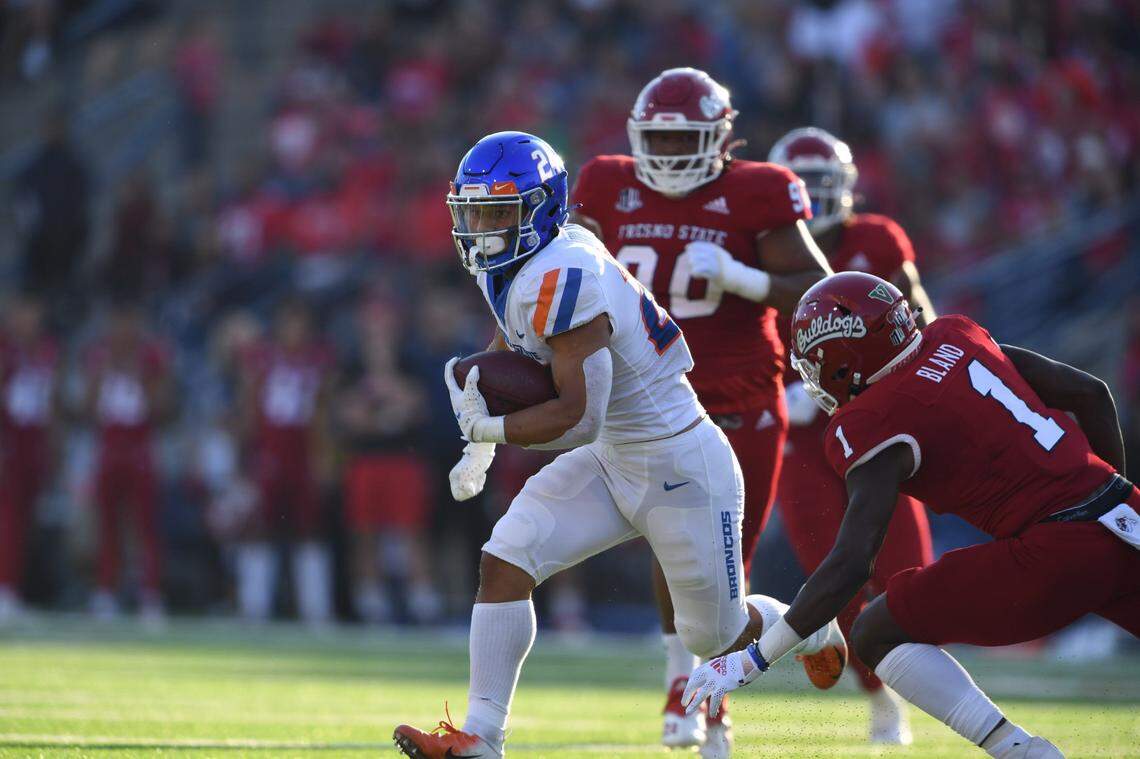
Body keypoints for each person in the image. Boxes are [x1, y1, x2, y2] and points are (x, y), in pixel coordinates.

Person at [392, 131, 846, 759]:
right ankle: (482, 739)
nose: (481, 226)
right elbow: (516, 344)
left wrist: (491, 431)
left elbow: (577, 417)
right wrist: (480, 436)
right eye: (473, 210)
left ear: (540, 207)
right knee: (505, 559)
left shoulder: (564, 272)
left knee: (716, 635)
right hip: (613, 457)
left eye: (498, 210)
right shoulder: (531, 261)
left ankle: (805, 622)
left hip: (678, 463)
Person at [682, 272, 1139, 759]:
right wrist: (1111, 490)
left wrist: (755, 658)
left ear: (844, 362)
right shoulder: (958, 333)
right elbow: (1090, 393)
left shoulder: (872, 420)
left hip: (1055, 550)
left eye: (816, 364)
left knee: (876, 630)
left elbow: (853, 564)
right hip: (1125, 512)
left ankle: (1021, 751)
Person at [570, 68, 831, 757]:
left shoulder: (758, 191)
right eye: (655, 136)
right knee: (672, 547)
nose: (667, 150)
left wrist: (747, 278)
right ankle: (688, 683)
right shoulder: (604, 182)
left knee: (722, 566)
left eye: (682, 137)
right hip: (652, 401)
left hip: (742, 401)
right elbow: (565, 277)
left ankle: (708, 696)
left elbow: (821, 290)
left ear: (720, 137)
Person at [767, 127, 938, 744]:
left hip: (879, 430)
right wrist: (778, 388)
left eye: (822, 184)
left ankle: (915, 688)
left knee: (908, 571)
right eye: (801, 187)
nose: (814, 199)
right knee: (832, 579)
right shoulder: (768, 244)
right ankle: (881, 699)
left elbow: (922, 320)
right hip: (806, 443)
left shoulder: (878, 239)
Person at [235, 299, 334, 625]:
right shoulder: (263, 359)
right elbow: (250, 405)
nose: (294, 330)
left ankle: (315, 608)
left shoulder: (318, 360)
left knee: (309, 527)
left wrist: (323, 455)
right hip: (271, 449)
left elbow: (322, 410)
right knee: (261, 524)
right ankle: (255, 605)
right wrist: (249, 452)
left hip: (302, 449)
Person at [84, 302, 173, 623]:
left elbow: (164, 408)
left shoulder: (151, 357)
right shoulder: (99, 355)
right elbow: (89, 407)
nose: (123, 329)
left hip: (139, 452)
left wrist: (142, 377)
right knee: (107, 525)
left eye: (129, 320)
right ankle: (105, 591)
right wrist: (105, 373)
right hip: (109, 450)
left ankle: (149, 594)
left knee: (145, 526)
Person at [0, 293, 60, 621]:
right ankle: (4, 588)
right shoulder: (5, 349)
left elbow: (49, 402)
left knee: (24, 521)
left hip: (32, 442)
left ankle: (12, 588)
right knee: (7, 519)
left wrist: (51, 448)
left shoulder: (47, 350)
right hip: (9, 439)